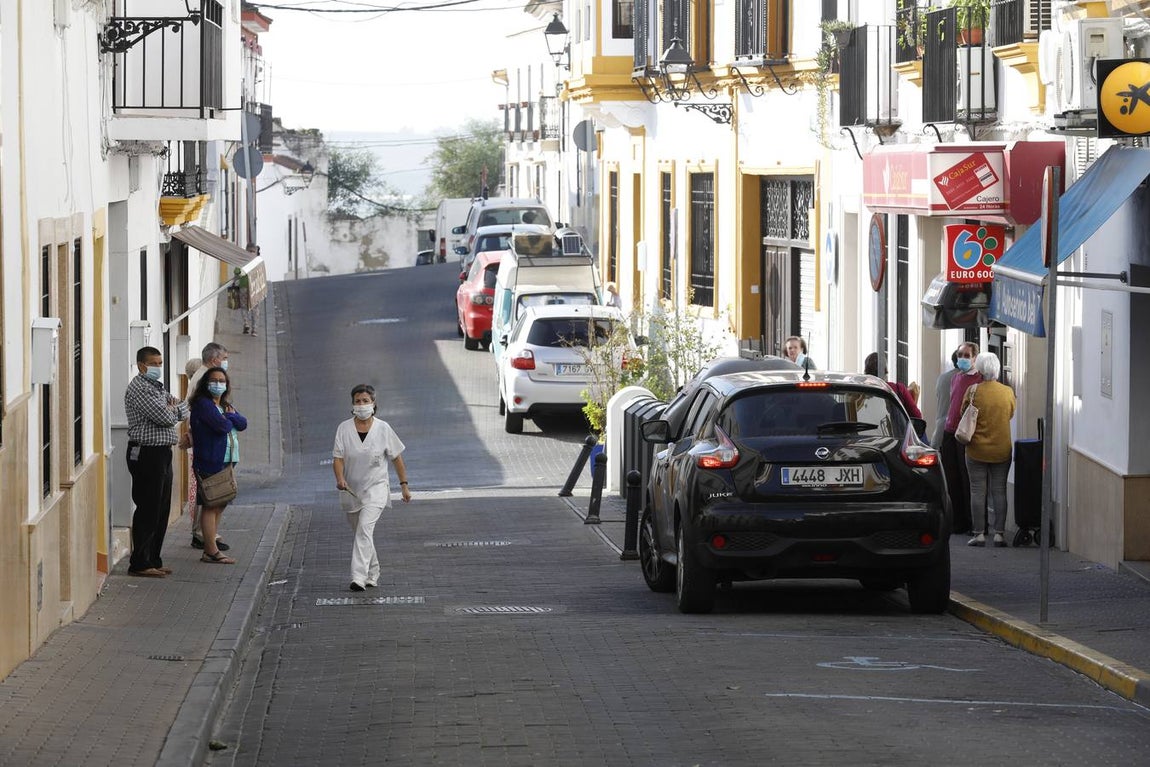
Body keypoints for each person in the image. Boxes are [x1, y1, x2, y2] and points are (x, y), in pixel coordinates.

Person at [332, 384, 412, 592]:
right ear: (352, 405)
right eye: (358, 401)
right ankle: (373, 572)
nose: (361, 405)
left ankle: (358, 577)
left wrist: (404, 486)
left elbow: (397, 458)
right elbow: (338, 458)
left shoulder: (383, 428)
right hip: (351, 491)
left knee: (364, 530)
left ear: (373, 403)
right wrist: (340, 478)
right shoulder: (344, 429)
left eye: (365, 401)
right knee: (362, 533)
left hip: (376, 489)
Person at [124, 346, 189, 578]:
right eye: (154, 364)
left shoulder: (156, 387)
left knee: (161, 507)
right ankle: (140, 562)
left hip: (162, 452)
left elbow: (183, 406)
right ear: (142, 365)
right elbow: (164, 417)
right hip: (146, 454)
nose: (158, 368)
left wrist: (173, 408)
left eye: (160, 363)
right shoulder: (140, 388)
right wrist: (172, 411)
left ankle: (153, 558)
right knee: (148, 507)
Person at [188, 366, 247, 564]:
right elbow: (221, 427)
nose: (218, 384)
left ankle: (211, 545)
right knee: (210, 504)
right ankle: (210, 550)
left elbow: (243, 423)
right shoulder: (204, 405)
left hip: (226, 461)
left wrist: (228, 416)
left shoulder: (222, 405)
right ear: (206, 383)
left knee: (220, 503)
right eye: (214, 380)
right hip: (210, 461)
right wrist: (228, 418)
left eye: (222, 381)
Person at [960, 352, 1016, 547]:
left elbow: (962, 413)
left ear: (980, 370)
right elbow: (1010, 413)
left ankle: (979, 534)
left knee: (977, 491)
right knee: (999, 490)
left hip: (976, 449)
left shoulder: (973, 390)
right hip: (1001, 449)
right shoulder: (1007, 392)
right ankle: (999, 533)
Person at [185, 343, 232, 553]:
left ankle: (208, 535)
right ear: (215, 359)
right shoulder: (203, 380)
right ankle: (203, 536)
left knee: (213, 495)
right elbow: (221, 420)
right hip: (207, 449)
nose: (225, 362)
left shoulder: (206, 376)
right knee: (209, 496)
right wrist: (229, 419)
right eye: (224, 358)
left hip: (212, 447)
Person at [941, 342, 981, 536]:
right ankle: (957, 521)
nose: (962, 358)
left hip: (965, 434)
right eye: (960, 355)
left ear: (974, 358)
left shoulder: (978, 379)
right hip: (949, 431)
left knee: (966, 479)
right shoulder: (956, 377)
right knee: (952, 478)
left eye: (966, 355)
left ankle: (971, 521)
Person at [863, 352, 922, 419]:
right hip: (895, 429)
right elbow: (917, 416)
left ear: (866, 372)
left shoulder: (860, 392)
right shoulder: (899, 389)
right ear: (885, 370)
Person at [931, 348, 962, 449]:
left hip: (941, 428)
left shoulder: (942, 378)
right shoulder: (965, 379)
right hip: (959, 430)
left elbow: (938, 396)